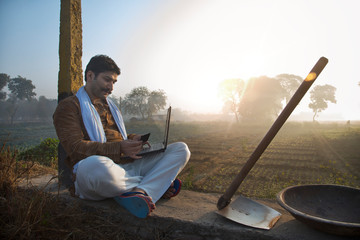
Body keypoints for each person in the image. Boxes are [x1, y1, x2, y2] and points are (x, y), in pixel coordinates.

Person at [53, 55, 190, 218]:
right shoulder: (69, 107)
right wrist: (119, 148)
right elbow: (75, 149)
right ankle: (155, 184)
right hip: (100, 171)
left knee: (181, 149)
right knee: (94, 167)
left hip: (126, 166)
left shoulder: (110, 106)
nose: (111, 87)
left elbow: (117, 137)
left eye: (114, 82)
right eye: (107, 80)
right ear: (90, 76)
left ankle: (140, 191)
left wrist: (132, 139)